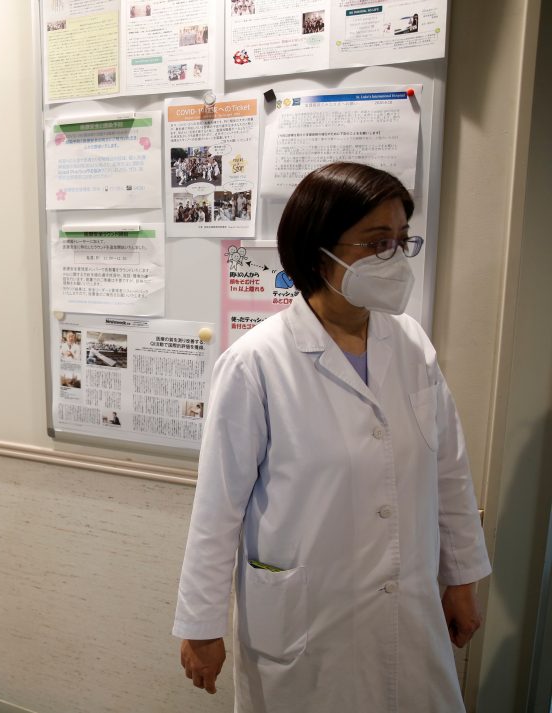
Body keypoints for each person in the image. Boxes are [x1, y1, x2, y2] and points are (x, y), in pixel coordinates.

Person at [174, 162, 491, 712]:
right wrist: (201, 625)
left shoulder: (411, 344)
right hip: (307, 626)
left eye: (401, 240)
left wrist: (461, 577)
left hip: (407, 609)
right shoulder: (256, 363)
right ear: (320, 248)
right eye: (375, 242)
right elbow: (217, 509)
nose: (393, 257)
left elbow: (449, 471)